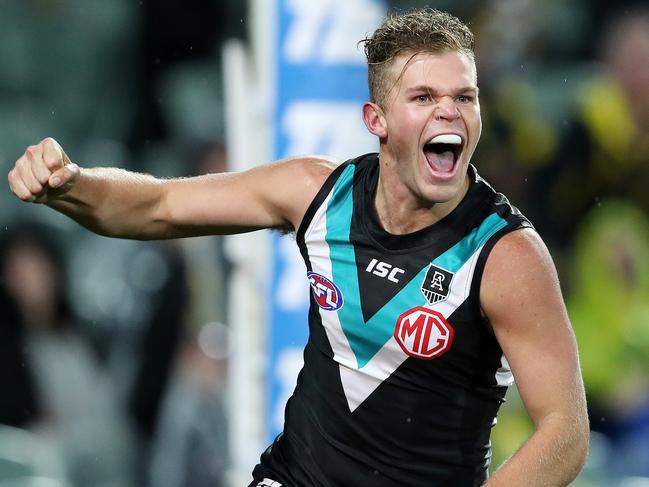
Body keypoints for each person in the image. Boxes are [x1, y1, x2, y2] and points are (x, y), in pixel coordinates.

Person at [7, 8, 588, 487]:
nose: (449, 111)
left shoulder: (506, 256)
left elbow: (565, 431)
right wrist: (72, 185)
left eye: (465, 96)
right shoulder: (316, 194)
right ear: (376, 119)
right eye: (425, 96)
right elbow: (159, 205)